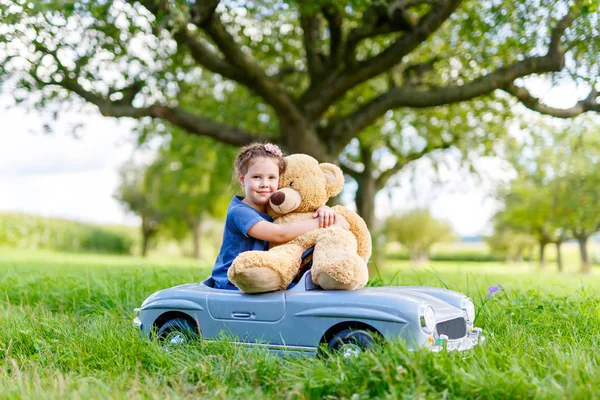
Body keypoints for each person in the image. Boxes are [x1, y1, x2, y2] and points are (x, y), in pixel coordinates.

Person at [211, 143, 348, 290]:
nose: (265, 184)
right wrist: (321, 221)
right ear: (242, 179)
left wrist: (322, 209)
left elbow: (300, 213)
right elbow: (280, 234)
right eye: (257, 177)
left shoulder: (274, 207)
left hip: (262, 274)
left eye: (271, 178)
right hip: (233, 280)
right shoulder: (239, 212)